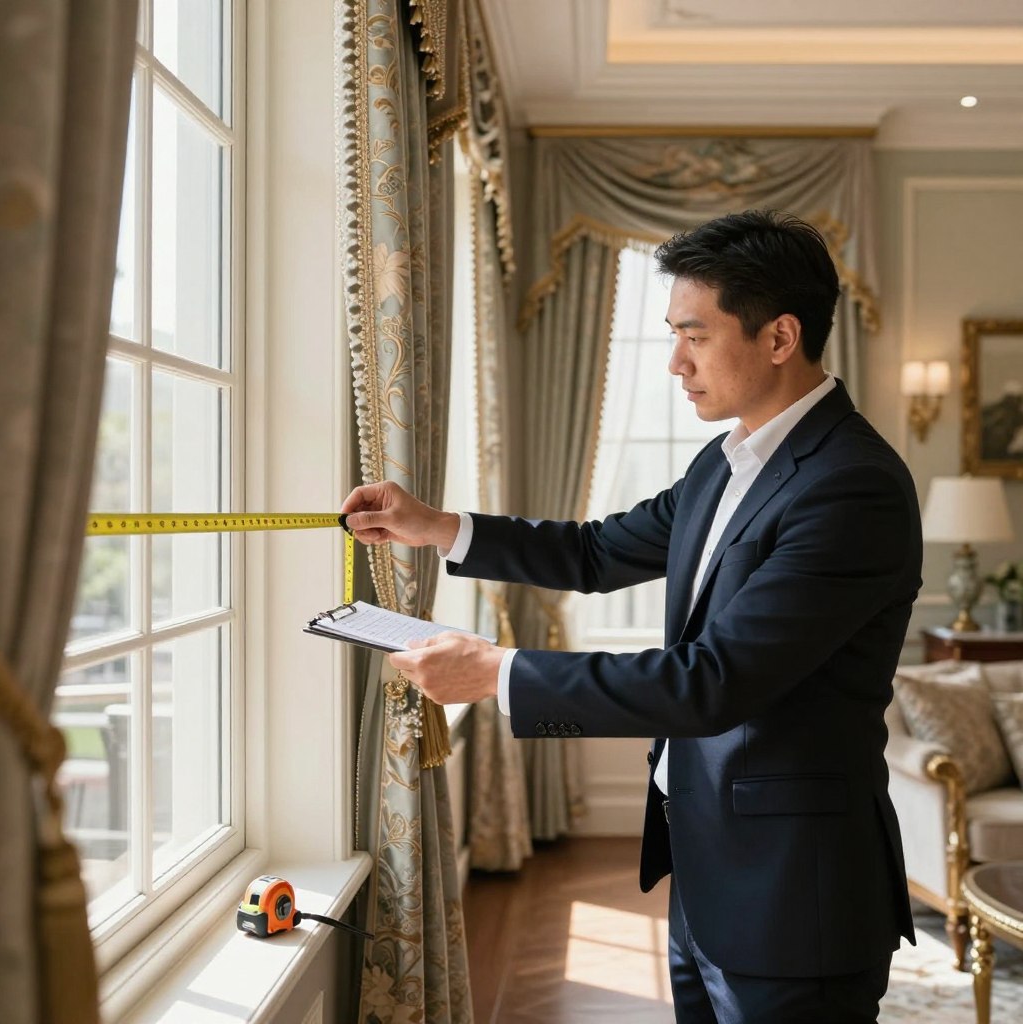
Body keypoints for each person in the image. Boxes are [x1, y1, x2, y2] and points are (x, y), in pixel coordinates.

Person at [341, 209, 922, 1023]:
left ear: (780, 337)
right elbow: (593, 552)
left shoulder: (851, 485)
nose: (676, 364)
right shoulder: (726, 461)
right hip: (709, 873)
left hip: (797, 895)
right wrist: (436, 526)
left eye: (695, 335)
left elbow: (714, 682)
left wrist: (495, 673)